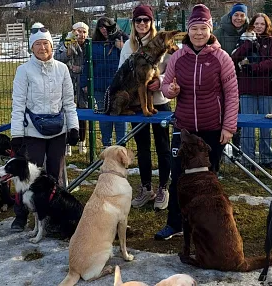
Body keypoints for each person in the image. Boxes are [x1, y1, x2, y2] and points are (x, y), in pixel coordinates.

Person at [155, 4, 239, 240]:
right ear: (188, 31)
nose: (199, 33)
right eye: (194, 28)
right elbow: (165, 87)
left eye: (203, 28)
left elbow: (232, 94)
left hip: (212, 128)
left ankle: (206, 228)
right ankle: (175, 224)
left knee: (207, 183)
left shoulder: (222, 58)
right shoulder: (178, 57)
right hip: (184, 128)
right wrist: (171, 90)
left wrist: (229, 127)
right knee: (178, 178)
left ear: (210, 30)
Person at [10, 23, 79, 231]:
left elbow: (69, 102)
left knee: (54, 176)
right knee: (28, 176)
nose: (43, 48)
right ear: (32, 47)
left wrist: (73, 127)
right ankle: (21, 215)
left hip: (57, 130)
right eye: (38, 44)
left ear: (51, 46)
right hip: (33, 131)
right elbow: (18, 104)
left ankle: (53, 216)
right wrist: (17, 135)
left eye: (46, 44)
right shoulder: (24, 71)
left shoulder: (62, 69)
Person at [118, 5, 171, 210]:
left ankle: (163, 188)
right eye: (138, 20)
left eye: (146, 20)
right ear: (133, 23)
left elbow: (174, 70)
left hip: (160, 102)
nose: (142, 24)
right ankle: (146, 187)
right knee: (142, 148)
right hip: (137, 104)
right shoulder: (128, 47)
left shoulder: (162, 42)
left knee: (163, 146)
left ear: (152, 22)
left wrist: (160, 80)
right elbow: (122, 74)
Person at [231, 13, 272, 170]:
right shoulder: (243, 40)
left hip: (266, 89)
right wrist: (248, 44)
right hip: (247, 88)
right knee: (247, 126)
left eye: (262, 24)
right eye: (256, 23)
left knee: (266, 126)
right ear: (252, 25)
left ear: (266, 26)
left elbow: (271, 61)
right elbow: (234, 58)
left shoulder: (271, 42)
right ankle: (248, 159)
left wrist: (253, 67)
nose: (259, 27)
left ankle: (267, 158)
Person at [82, 17, 129, 149]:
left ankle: (121, 144)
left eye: (106, 27)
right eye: (101, 27)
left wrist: (122, 48)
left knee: (120, 115)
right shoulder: (94, 44)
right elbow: (87, 64)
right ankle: (106, 145)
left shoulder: (122, 40)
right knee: (104, 116)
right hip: (99, 86)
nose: (104, 30)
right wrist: (84, 83)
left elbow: (131, 58)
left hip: (118, 86)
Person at [213, 3, 248, 156]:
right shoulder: (220, 33)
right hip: (223, 80)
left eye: (242, 15)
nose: (239, 18)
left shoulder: (250, 33)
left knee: (239, 115)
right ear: (231, 16)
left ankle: (237, 150)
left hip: (244, 80)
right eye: (236, 15)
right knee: (221, 115)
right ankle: (219, 151)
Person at [55, 21, 89, 155]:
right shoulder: (65, 43)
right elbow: (57, 59)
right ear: (73, 32)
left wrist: (80, 69)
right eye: (78, 31)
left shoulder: (89, 45)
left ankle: (82, 142)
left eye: (84, 31)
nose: (81, 34)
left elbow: (92, 62)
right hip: (67, 82)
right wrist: (68, 53)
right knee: (67, 112)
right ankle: (68, 143)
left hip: (83, 82)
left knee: (83, 111)